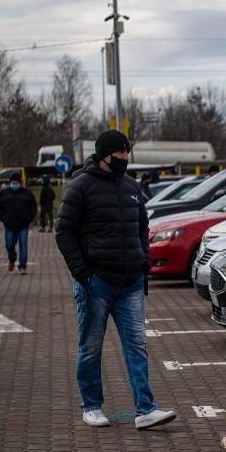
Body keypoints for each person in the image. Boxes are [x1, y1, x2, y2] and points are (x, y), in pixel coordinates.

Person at [55, 129, 176, 430]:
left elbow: (141, 227)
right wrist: (83, 273)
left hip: (131, 281)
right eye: (120, 153)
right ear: (104, 154)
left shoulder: (131, 186)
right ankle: (92, 406)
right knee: (91, 345)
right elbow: (63, 231)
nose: (125, 157)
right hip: (96, 282)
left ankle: (145, 409)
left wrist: (144, 261)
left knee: (136, 345)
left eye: (127, 152)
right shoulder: (80, 187)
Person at [0, 172, 37, 275]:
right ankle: (12, 259)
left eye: (16, 182)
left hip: (23, 225)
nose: (14, 184)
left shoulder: (27, 193)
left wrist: (29, 219)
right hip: (9, 225)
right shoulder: (4, 193)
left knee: (23, 245)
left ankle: (22, 267)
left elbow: (33, 206)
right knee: (9, 245)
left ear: (20, 182)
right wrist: (3, 219)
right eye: (13, 182)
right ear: (9, 182)